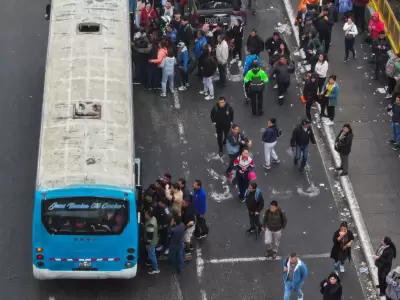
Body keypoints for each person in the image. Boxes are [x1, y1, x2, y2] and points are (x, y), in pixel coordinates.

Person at [144, 208, 160, 274]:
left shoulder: (151, 224)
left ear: (148, 215)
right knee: (151, 254)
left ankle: (156, 269)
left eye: (146, 214)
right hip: (154, 240)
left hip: (151, 243)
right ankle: (151, 263)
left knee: (152, 255)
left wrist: (147, 244)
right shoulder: (153, 218)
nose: (144, 214)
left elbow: (149, 237)